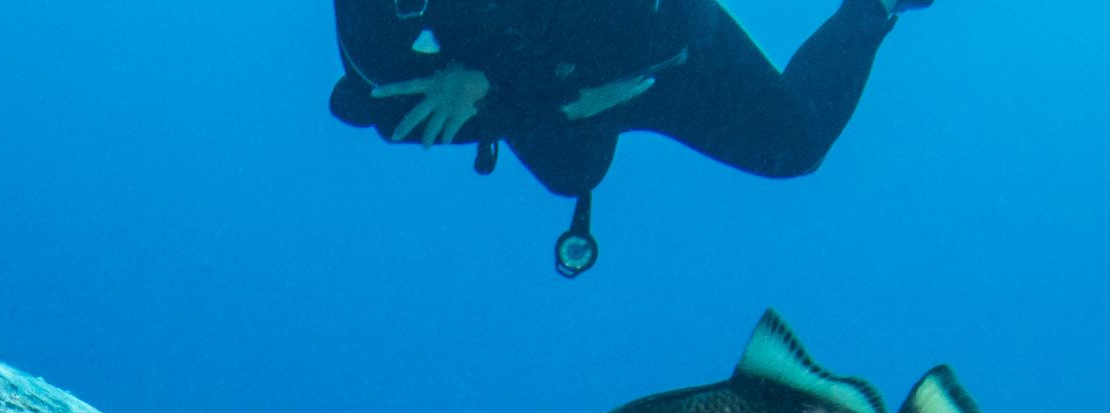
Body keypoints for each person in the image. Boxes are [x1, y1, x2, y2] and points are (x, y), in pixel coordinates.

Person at [328, 0, 935, 276]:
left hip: (658, 53)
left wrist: (492, 83)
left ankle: (873, 7)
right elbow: (373, 98)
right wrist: (507, 91)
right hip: (538, 91)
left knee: (794, 146)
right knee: (574, 173)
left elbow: (680, 25)